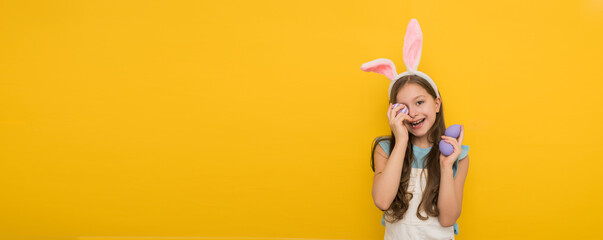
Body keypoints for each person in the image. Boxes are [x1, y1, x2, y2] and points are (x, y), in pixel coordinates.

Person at [361, 19, 470, 240]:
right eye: (404, 107)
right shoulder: (385, 148)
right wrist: (400, 141)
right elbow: (382, 201)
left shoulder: (459, 154)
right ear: (394, 111)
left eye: (420, 102)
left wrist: (447, 167)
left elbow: (448, 219)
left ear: (436, 104)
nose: (413, 113)